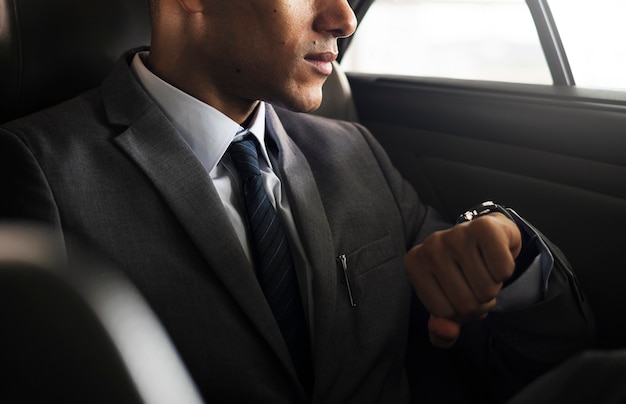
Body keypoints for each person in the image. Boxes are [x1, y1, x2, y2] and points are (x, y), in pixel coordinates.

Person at [0, 0, 595, 403]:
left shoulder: (356, 151)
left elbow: (522, 352)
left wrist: (505, 256)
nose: (344, 17)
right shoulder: (37, 170)